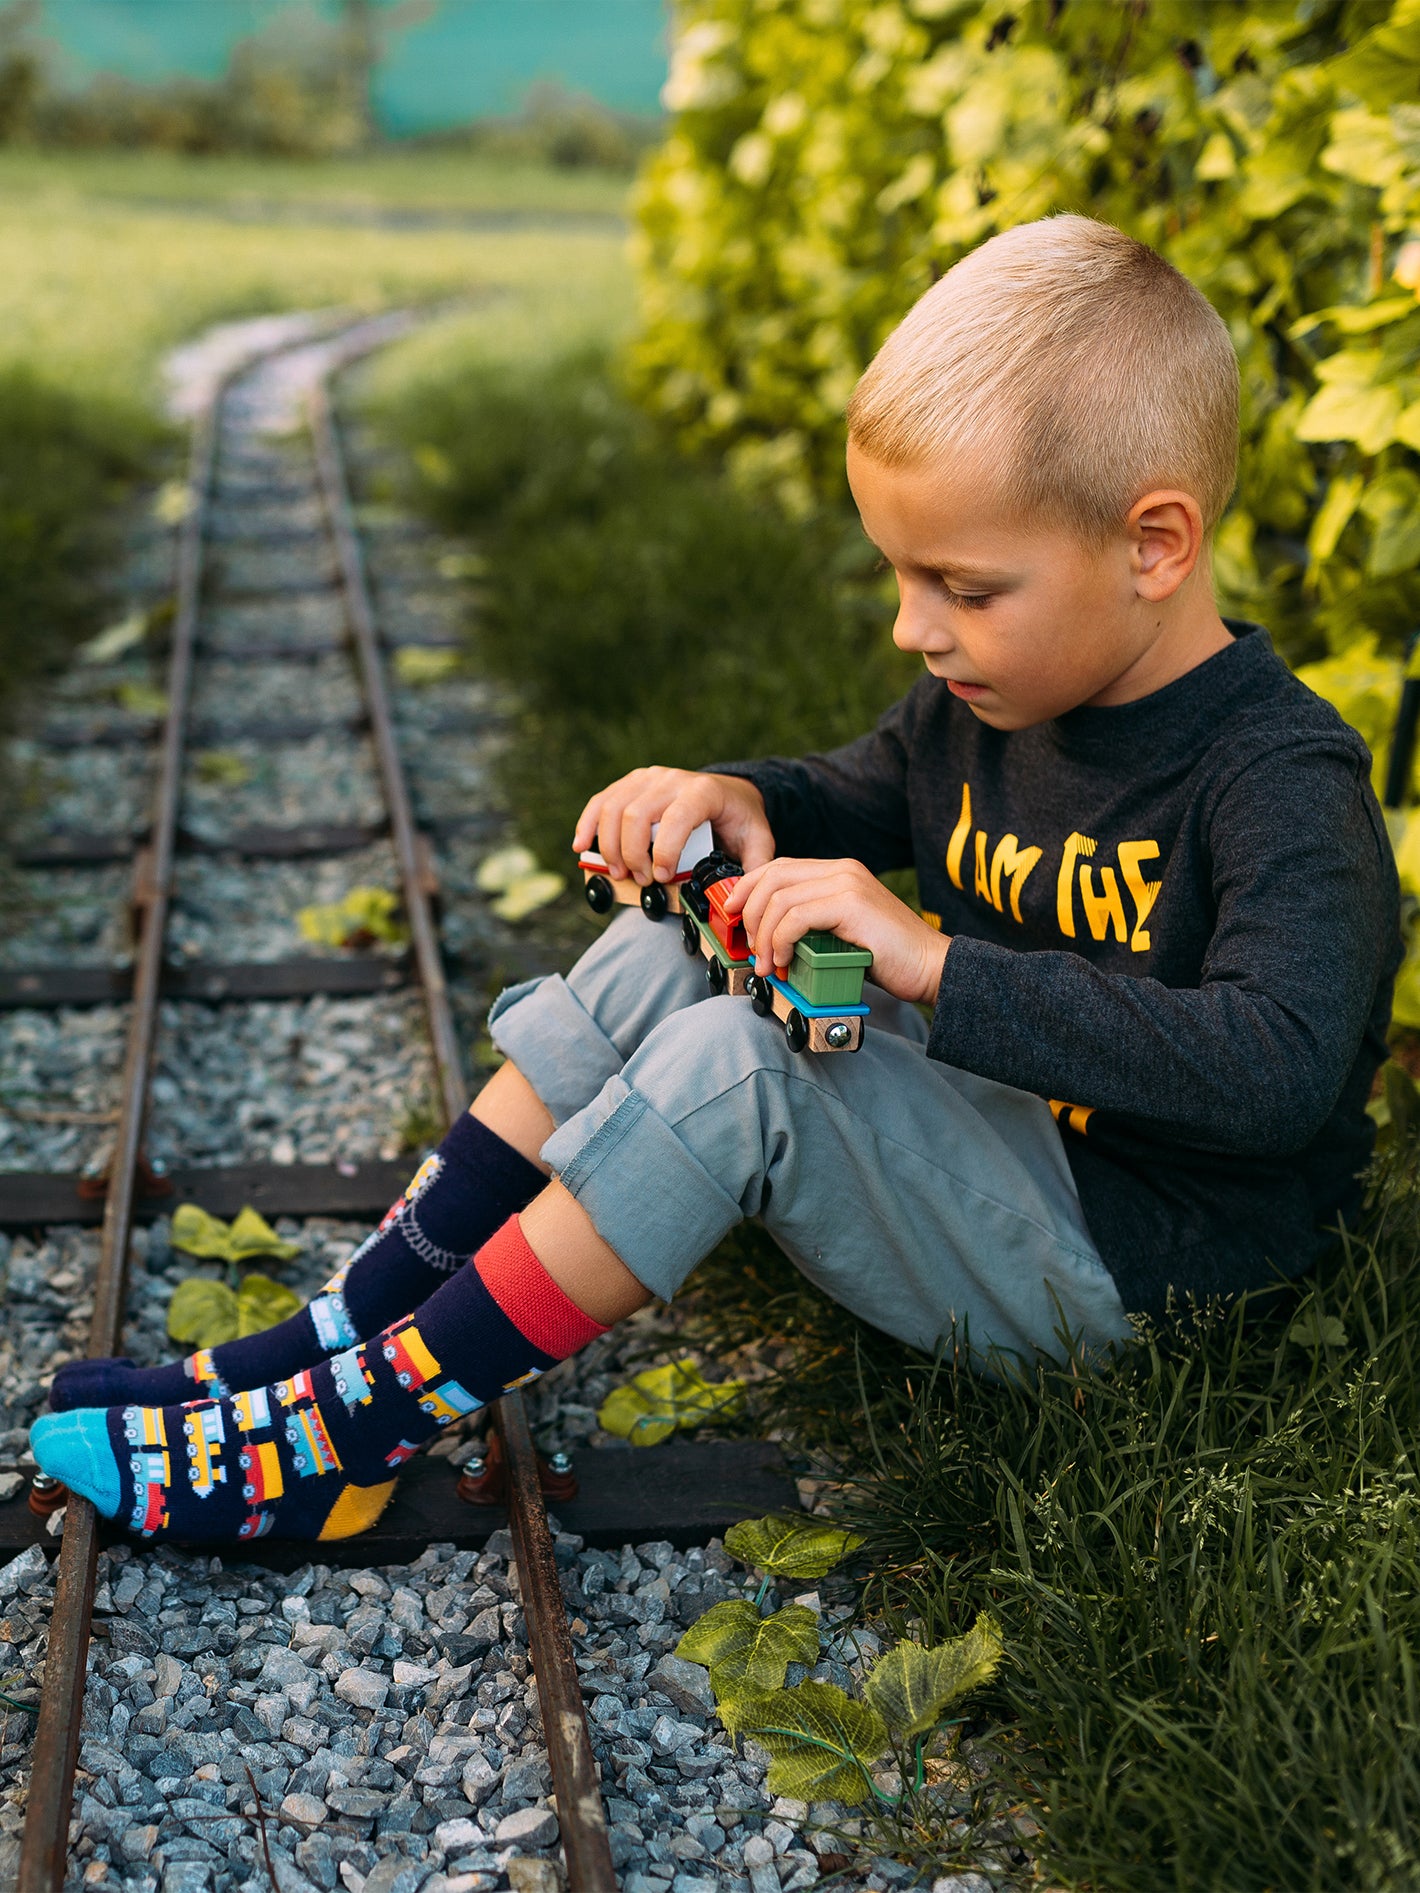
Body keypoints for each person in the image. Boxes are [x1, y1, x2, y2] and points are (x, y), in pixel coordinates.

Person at [31, 214, 1399, 1545]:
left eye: (964, 587)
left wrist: (926, 963)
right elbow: (851, 791)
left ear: (1154, 545)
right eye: (899, 575)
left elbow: (1274, 1069)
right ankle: (350, 1328)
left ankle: (342, 1435)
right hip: (1012, 1140)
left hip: (1150, 1267)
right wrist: (734, 802)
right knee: (680, 942)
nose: (914, 628)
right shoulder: (1001, 696)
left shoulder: (1278, 774)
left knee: (746, 1062)